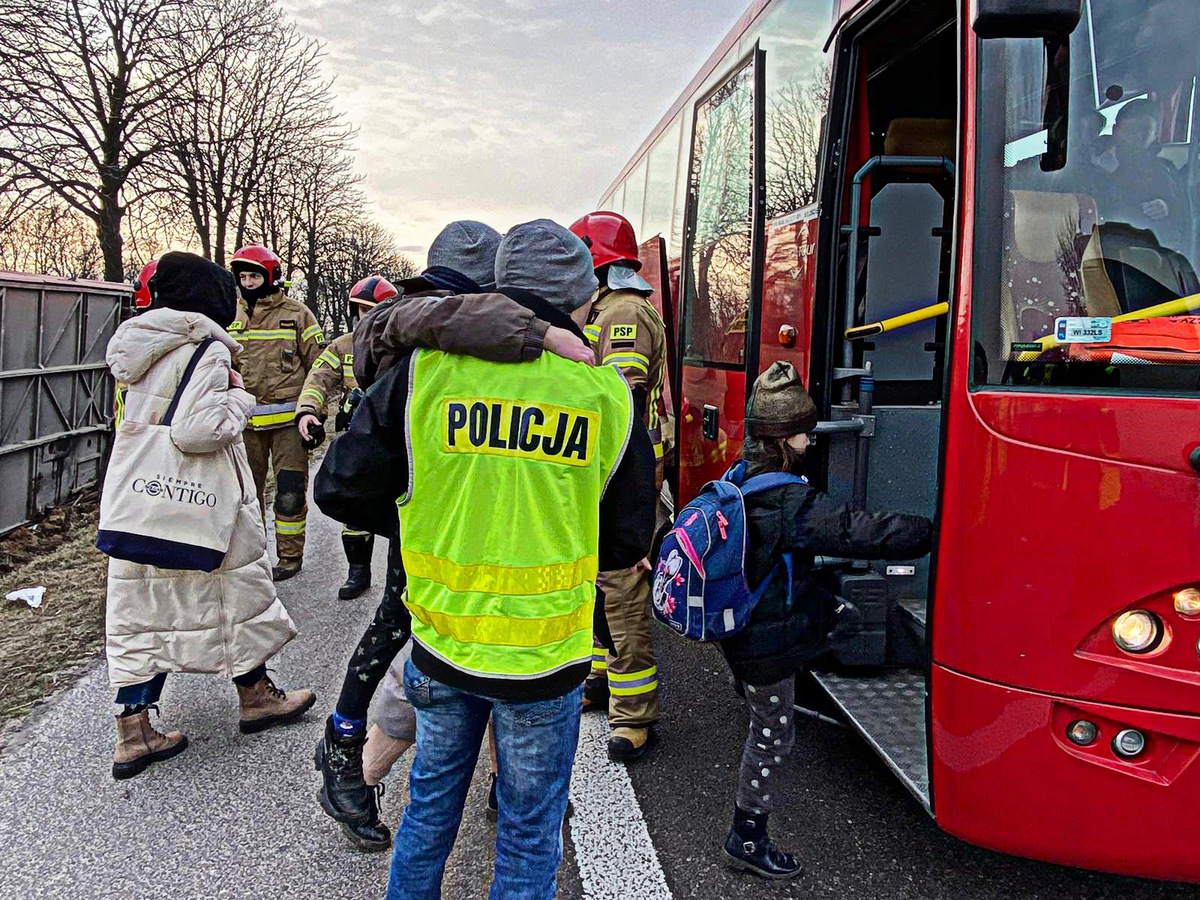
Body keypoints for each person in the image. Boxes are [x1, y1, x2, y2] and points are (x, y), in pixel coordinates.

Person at [315, 219, 656, 899]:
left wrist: (422, 517)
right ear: (580, 297)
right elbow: (624, 542)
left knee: (431, 810)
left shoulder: (426, 374)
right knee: (529, 830)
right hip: (545, 661)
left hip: (442, 644)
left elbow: (339, 487)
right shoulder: (603, 394)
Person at [102, 251, 315, 780]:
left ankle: (134, 731)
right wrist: (240, 401)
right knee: (233, 596)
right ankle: (257, 697)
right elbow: (198, 431)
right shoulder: (206, 353)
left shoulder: (138, 347)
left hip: (145, 502)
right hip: (200, 501)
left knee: (143, 617)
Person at [717, 361, 932, 879]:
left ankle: (805, 671)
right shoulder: (788, 501)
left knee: (839, 612)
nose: (812, 441)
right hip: (762, 643)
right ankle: (746, 837)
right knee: (772, 733)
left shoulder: (739, 477)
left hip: (745, 624)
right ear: (786, 436)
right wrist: (930, 529)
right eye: (806, 432)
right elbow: (858, 532)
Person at [570, 210, 668, 763]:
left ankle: (634, 717)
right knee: (594, 579)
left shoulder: (624, 312)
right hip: (600, 468)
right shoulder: (608, 307)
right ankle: (600, 680)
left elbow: (620, 395)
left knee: (620, 584)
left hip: (621, 469)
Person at [296, 275, 399, 600]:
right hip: (357, 438)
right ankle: (358, 572)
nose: (365, 318)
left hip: (398, 441)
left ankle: (407, 580)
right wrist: (308, 411)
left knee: (407, 511)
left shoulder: (404, 344)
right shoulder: (342, 346)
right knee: (354, 507)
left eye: (372, 310)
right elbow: (319, 378)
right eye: (360, 311)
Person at [227, 244, 325, 581]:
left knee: (289, 492)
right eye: (244, 276)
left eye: (255, 275)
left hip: (288, 425)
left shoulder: (298, 314)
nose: (249, 282)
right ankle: (252, 558)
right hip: (244, 426)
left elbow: (320, 368)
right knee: (245, 497)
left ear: (271, 276)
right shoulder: (229, 314)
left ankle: (289, 558)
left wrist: (315, 413)